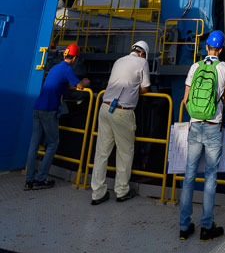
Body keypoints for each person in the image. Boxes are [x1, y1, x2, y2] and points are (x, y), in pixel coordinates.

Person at [179, 30, 225, 242]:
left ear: (207, 47)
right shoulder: (224, 68)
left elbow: (185, 99)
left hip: (194, 125)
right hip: (213, 126)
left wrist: (196, 112)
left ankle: (184, 227)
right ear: (221, 49)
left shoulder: (195, 67)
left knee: (189, 175)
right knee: (210, 177)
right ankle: (206, 227)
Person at [90, 40, 151, 205]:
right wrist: (134, 91)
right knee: (124, 153)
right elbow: (145, 88)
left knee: (101, 153)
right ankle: (122, 191)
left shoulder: (119, 61)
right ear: (143, 53)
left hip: (105, 108)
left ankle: (97, 193)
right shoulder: (142, 62)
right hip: (123, 112)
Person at [25, 43, 89, 190]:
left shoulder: (55, 67)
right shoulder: (67, 69)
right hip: (49, 110)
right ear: (75, 58)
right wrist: (85, 82)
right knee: (53, 143)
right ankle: (41, 179)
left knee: (34, 145)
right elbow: (79, 86)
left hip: (37, 107)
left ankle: (29, 180)